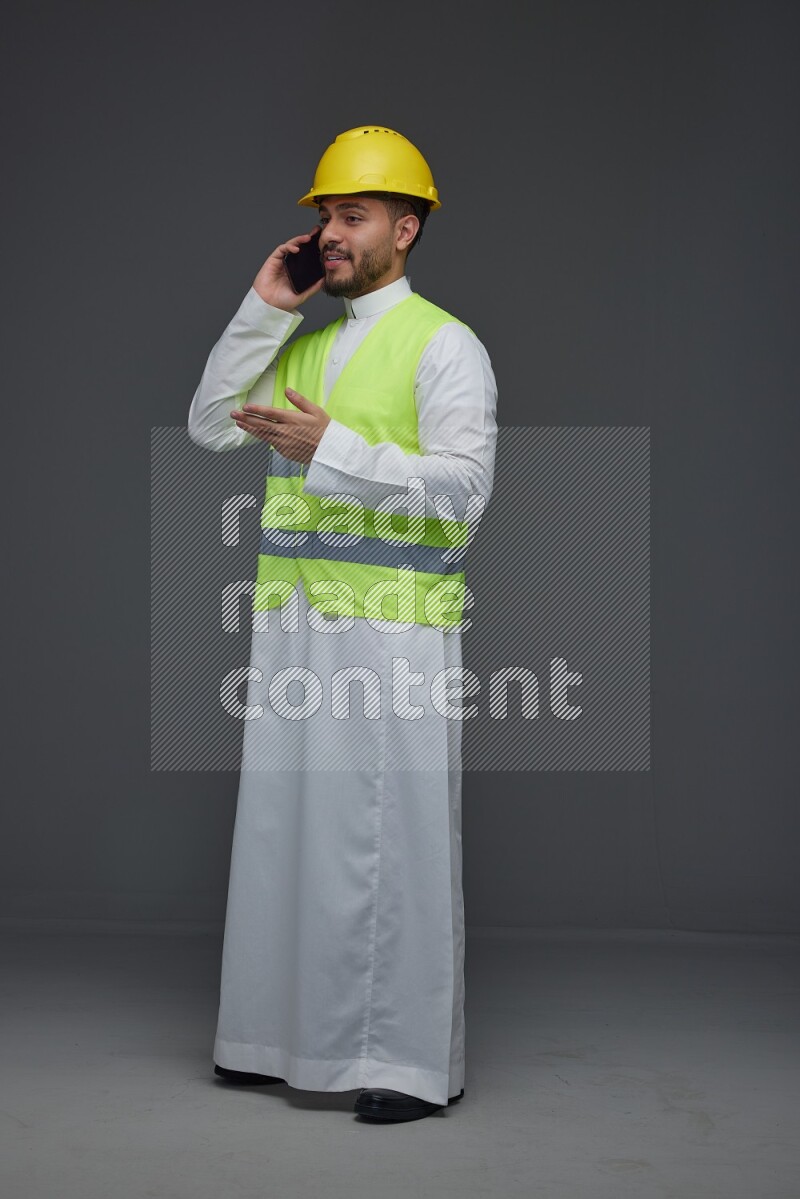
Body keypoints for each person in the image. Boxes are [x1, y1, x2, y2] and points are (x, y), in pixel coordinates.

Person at [188, 126, 498, 1122]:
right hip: (295, 628)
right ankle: (267, 1040)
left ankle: (405, 1062)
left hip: (392, 635)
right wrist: (262, 308)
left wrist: (335, 450)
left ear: (405, 229)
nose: (330, 232)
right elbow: (208, 425)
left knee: (387, 843)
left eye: (352, 215)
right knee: (284, 835)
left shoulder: (444, 344)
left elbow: (464, 492)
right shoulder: (308, 345)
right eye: (324, 215)